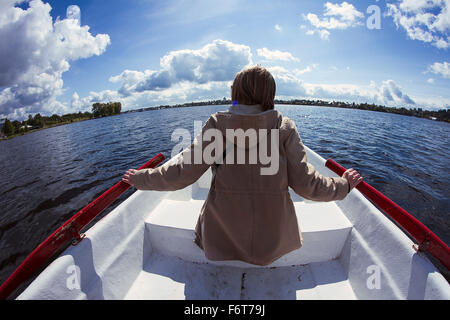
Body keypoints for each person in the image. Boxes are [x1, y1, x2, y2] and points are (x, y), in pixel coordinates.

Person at [122, 65, 363, 266]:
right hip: (272, 241)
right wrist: (343, 185)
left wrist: (141, 178)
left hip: (221, 238)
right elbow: (308, 185)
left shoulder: (217, 124)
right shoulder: (285, 127)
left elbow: (182, 172)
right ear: (270, 93)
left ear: (235, 91)